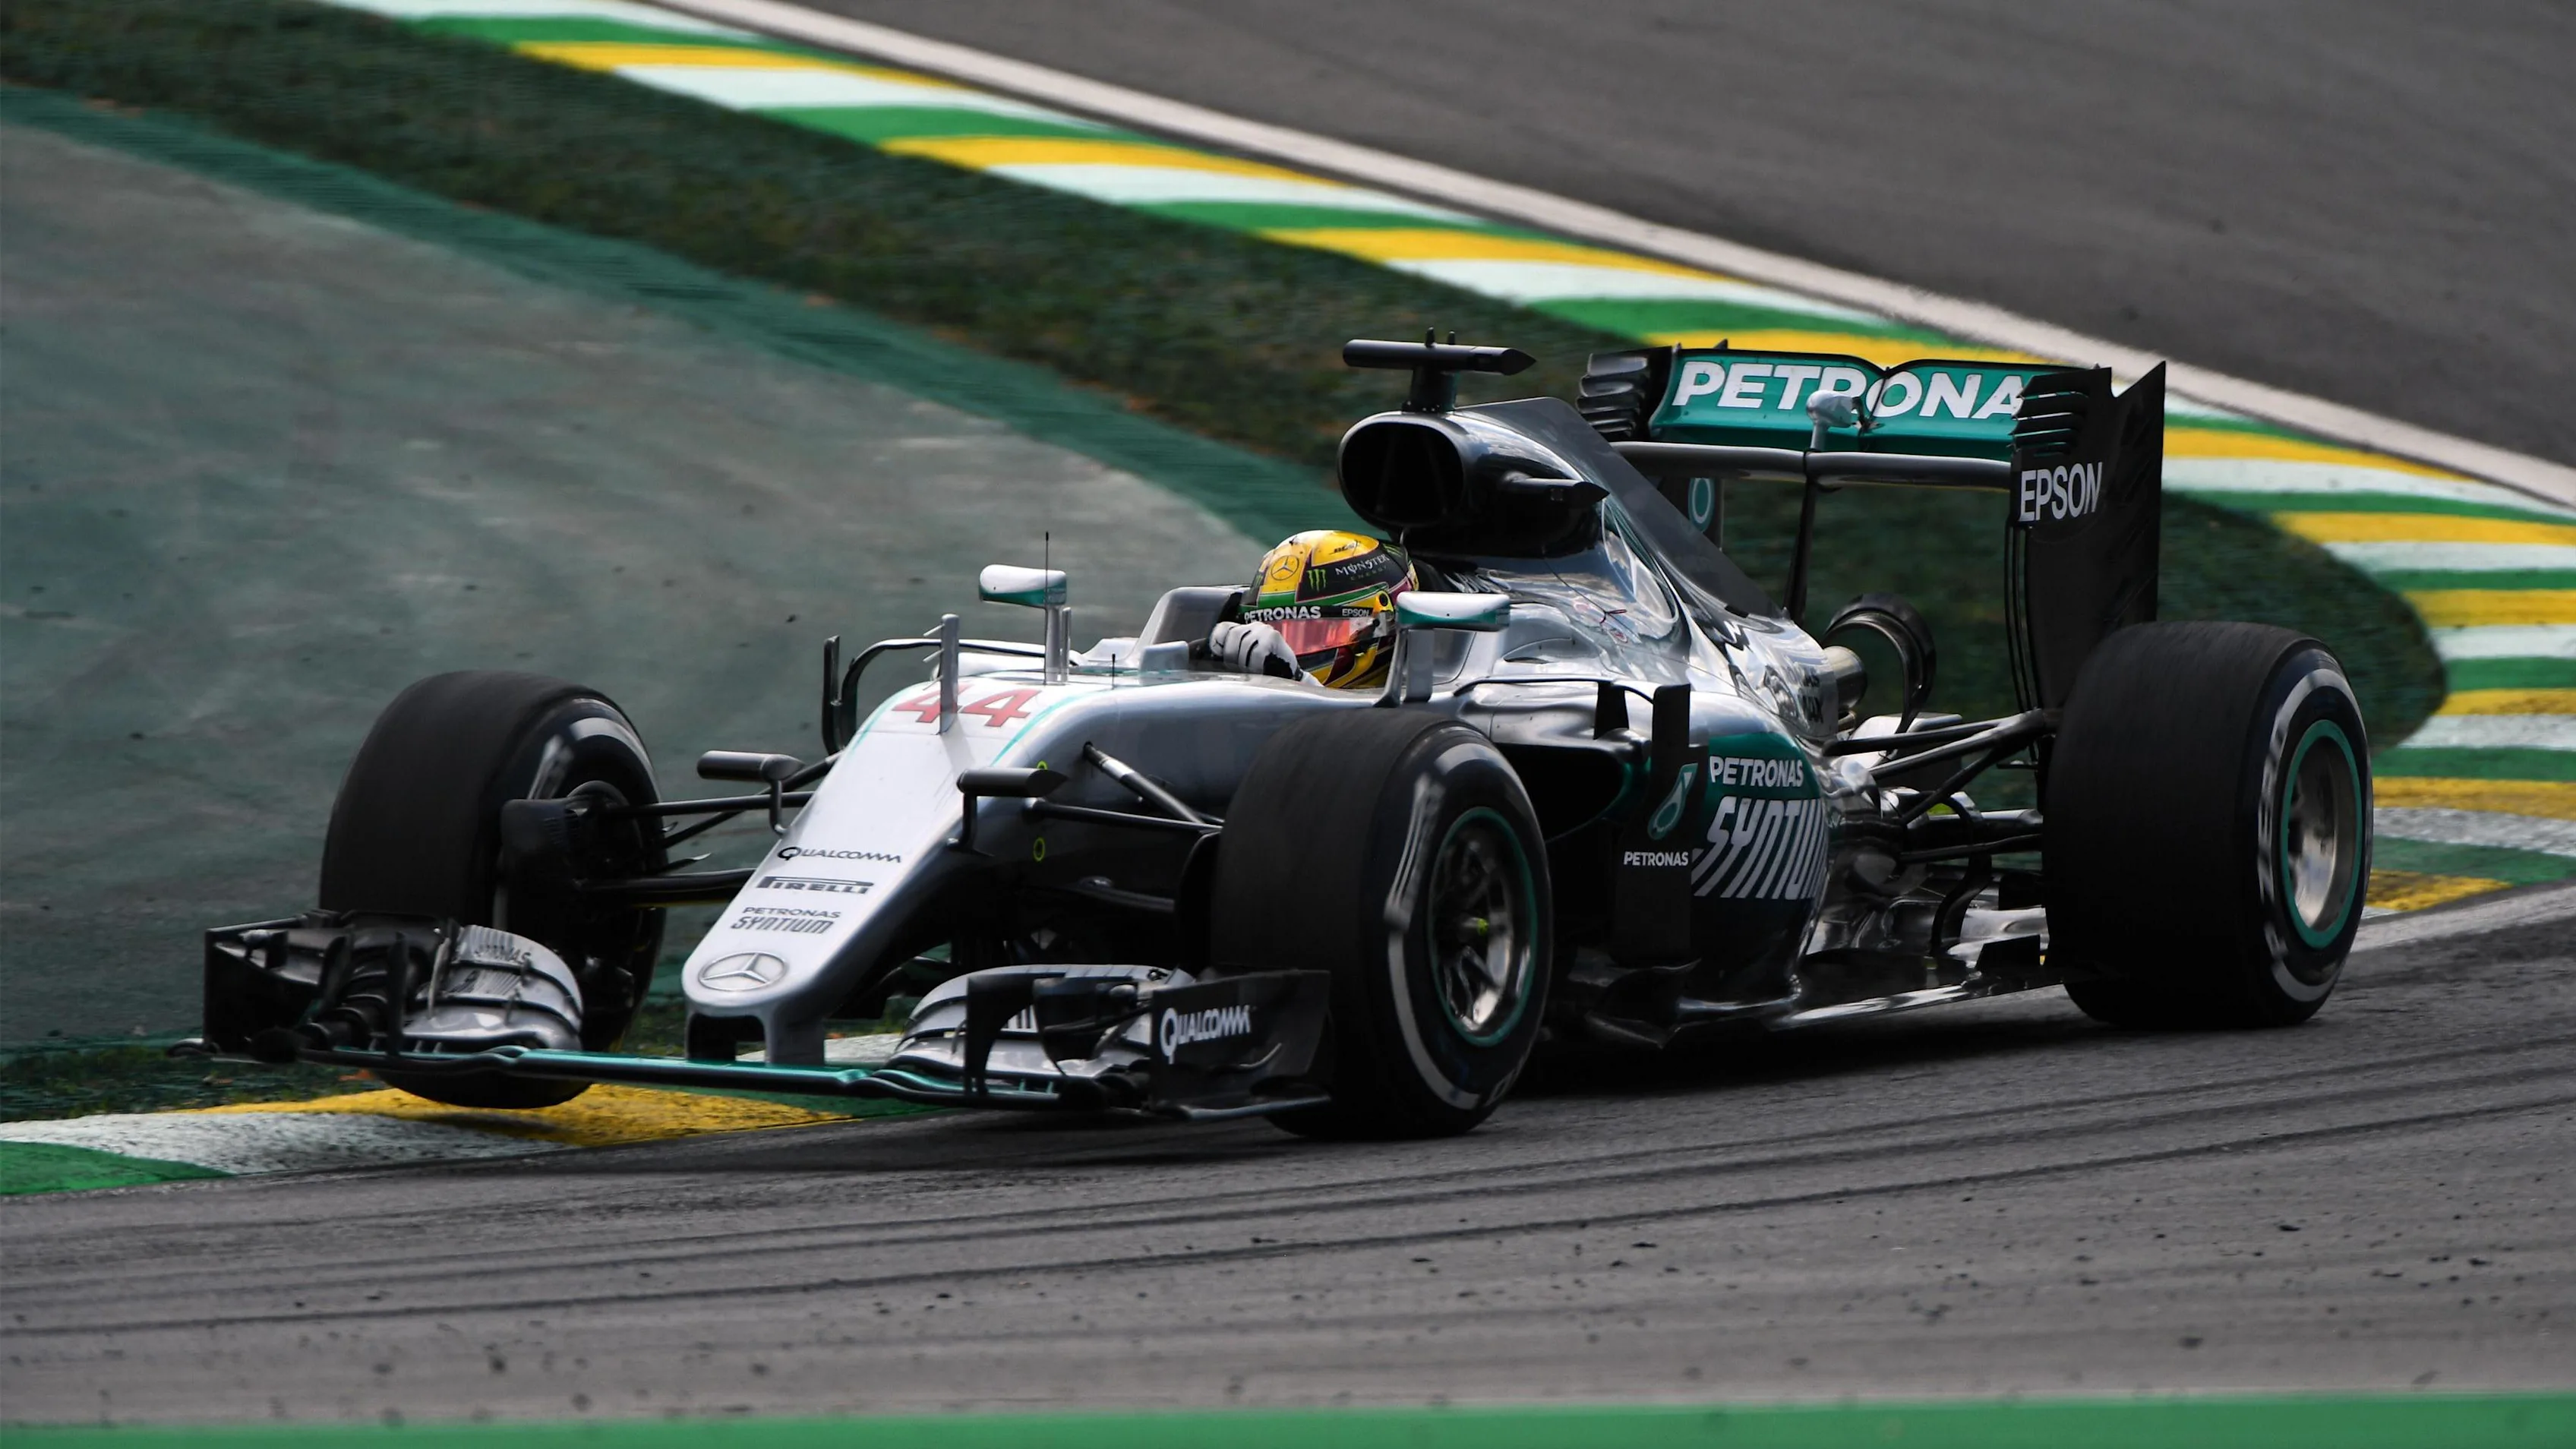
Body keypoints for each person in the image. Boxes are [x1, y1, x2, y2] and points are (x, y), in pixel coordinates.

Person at [1208, 529, 1416, 689]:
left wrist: (1297, 681)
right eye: (1278, 632)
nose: (1285, 652)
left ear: (1386, 621)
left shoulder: (1427, 712)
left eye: (1314, 633)